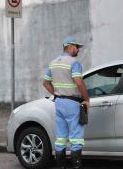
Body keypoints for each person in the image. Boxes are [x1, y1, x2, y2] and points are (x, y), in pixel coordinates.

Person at [43, 36, 90, 169]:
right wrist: (87, 99)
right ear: (69, 46)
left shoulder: (53, 63)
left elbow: (45, 82)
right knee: (76, 139)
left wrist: (56, 93)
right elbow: (79, 81)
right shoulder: (74, 63)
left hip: (59, 103)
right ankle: (76, 166)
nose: (78, 50)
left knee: (61, 138)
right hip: (72, 103)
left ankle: (60, 166)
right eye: (76, 47)